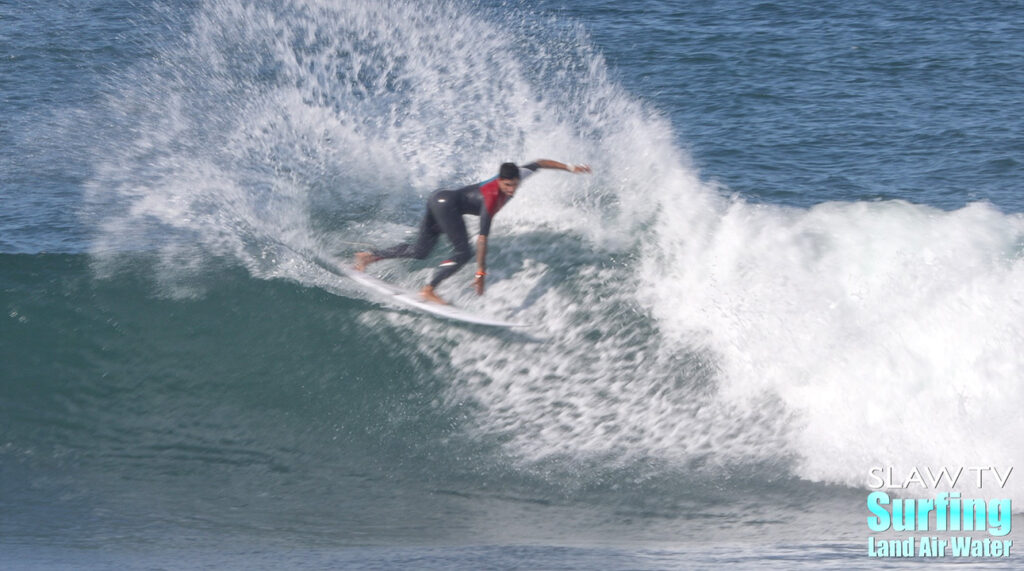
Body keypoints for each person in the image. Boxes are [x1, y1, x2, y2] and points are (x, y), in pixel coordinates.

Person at [354, 159, 591, 304]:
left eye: (514, 185)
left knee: (420, 250)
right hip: (445, 204)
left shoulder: (517, 174)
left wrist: (571, 168)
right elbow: (483, 239)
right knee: (463, 253)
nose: (511, 190)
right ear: (499, 181)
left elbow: (540, 163)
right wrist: (480, 273)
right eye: (507, 186)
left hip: (440, 199)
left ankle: (369, 256)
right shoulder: (491, 200)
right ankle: (428, 290)